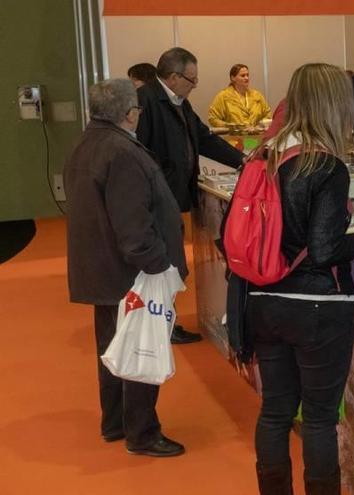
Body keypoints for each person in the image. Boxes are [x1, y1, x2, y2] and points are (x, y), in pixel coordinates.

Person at [246, 63, 354, 495]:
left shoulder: (266, 153)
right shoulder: (325, 165)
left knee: (275, 410)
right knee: (318, 418)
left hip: (263, 298)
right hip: (318, 307)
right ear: (336, 104)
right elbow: (325, 250)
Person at [64, 78, 186, 457]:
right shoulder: (122, 152)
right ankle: (142, 433)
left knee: (115, 350)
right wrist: (159, 266)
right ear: (130, 113)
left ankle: (115, 423)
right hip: (132, 275)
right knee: (140, 352)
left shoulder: (87, 145)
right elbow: (134, 227)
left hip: (103, 270)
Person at [137, 47, 246, 344]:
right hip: (156, 202)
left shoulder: (178, 102)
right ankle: (159, 326)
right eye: (191, 79)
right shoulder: (146, 101)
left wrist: (243, 161)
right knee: (164, 265)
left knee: (170, 265)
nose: (194, 85)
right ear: (173, 77)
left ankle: (164, 323)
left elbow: (204, 138)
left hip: (171, 199)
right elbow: (140, 155)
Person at [208, 63, 272, 128]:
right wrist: (231, 127)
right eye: (243, 75)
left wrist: (260, 126)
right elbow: (213, 118)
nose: (246, 78)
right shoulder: (223, 96)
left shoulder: (257, 96)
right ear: (233, 78)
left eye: (247, 75)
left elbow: (268, 115)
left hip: (255, 136)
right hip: (233, 137)